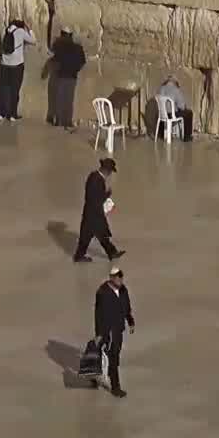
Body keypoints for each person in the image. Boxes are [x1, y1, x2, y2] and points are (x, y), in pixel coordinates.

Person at [93, 267, 135, 398]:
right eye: (118, 277)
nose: (120, 280)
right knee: (112, 357)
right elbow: (98, 314)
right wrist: (99, 333)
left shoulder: (123, 290)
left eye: (121, 277)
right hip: (108, 330)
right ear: (111, 278)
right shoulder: (102, 292)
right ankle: (115, 387)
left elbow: (126, 307)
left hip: (118, 329)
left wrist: (130, 321)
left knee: (109, 354)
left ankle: (94, 374)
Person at [75, 157, 124, 264]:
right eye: (111, 171)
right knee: (95, 235)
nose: (110, 174)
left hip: (91, 213)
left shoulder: (93, 176)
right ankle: (111, 253)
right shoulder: (97, 180)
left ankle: (111, 253)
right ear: (107, 170)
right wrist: (107, 195)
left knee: (92, 235)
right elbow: (95, 198)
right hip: (94, 214)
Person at [0, 18, 34, 122]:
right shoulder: (20, 32)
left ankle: (1, 114)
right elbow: (33, 40)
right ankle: (12, 115)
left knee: (3, 90)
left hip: (4, 66)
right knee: (15, 90)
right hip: (16, 66)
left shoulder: (4, 31)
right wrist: (29, 29)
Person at [47, 29, 87, 129]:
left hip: (61, 75)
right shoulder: (77, 47)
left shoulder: (60, 46)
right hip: (72, 76)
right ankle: (67, 121)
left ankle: (59, 120)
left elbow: (53, 52)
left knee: (60, 99)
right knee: (69, 100)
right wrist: (76, 69)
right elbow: (83, 61)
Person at [156, 75, 193, 140]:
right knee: (189, 113)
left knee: (167, 111)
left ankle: (161, 134)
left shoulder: (161, 88)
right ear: (175, 82)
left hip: (161, 115)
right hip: (171, 115)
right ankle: (187, 137)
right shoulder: (176, 90)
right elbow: (181, 107)